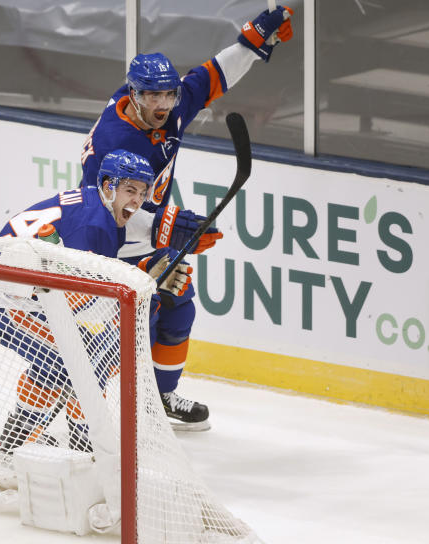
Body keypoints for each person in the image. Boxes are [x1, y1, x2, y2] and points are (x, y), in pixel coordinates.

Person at [80, 6, 295, 430]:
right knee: (135, 320)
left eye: (168, 96)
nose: (163, 105)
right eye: (153, 97)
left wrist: (251, 43)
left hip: (146, 236)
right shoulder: (116, 141)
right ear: (134, 95)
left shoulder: (170, 106)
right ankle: (80, 406)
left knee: (179, 305)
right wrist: (172, 227)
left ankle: (159, 399)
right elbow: (107, 211)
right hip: (108, 242)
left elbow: (212, 76)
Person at [0, 149, 188, 455]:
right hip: (0, 297)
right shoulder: (93, 226)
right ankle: (81, 446)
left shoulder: (98, 207)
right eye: (130, 190)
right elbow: (81, 299)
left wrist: (142, 277)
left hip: (16, 290)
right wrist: (146, 282)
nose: (137, 201)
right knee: (82, 357)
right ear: (108, 185)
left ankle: (18, 442)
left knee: (72, 354)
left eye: (142, 192)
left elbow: (86, 288)